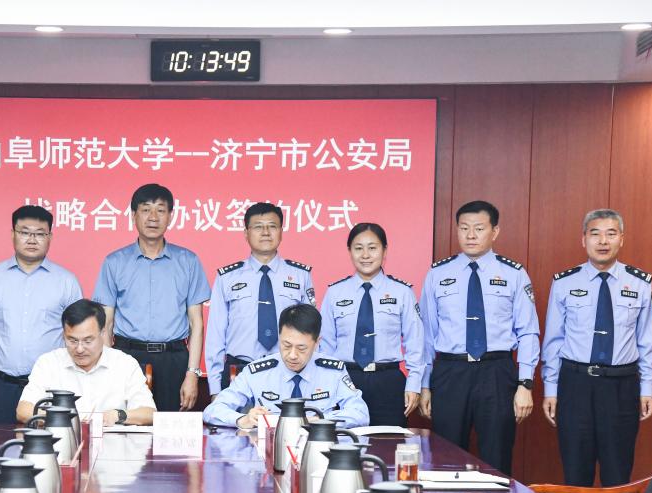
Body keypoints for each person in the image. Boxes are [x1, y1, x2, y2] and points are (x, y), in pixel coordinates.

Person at [419, 200, 539, 474]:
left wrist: (525, 384)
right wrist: (424, 385)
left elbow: (528, 331)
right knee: (445, 458)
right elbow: (426, 335)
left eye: (479, 228)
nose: (470, 235)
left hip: (496, 372)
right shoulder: (438, 273)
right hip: (450, 373)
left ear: (494, 232)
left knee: (497, 458)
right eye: (464, 228)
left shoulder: (513, 274)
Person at [541, 209, 652, 487]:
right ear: (584, 239)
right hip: (575, 385)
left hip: (621, 386)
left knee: (617, 474)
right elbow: (554, 341)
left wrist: (647, 387)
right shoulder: (564, 282)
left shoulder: (640, 283)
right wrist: (550, 389)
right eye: (595, 234)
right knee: (575, 474)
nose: (603, 241)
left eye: (611, 234)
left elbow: (647, 340)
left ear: (621, 239)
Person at [93, 183, 211, 412]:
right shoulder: (114, 262)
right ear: (133, 216)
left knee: (171, 428)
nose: (153, 217)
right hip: (127, 357)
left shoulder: (188, 261)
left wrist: (192, 374)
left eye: (161, 210)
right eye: (146, 210)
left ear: (170, 216)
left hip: (173, 359)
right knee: (126, 426)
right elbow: (106, 324)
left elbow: (196, 323)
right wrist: (111, 369)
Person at [0, 205, 82, 424]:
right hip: (3, 385)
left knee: (53, 443)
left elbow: (78, 335)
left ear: (50, 237)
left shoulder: (66, 281)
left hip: (51, 385)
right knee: (1, 443)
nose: (32, 239)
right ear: (13, 234)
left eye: (40, 234)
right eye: (25, 232)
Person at [320, 222, 425, 426]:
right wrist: (326, 385)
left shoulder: (402, 292)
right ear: (349, 251)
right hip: (346, 380)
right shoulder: (335, 293)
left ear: (385, 251)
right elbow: (326, 346)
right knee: (344, 440)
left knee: (388, 442)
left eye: (372, 248)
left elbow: (415, 343)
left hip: (388, 381)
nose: (365, 255)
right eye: (358, 248)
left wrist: (414, 384)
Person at [205, 202, 315, 395]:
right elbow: (216, 336)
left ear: (281, 232)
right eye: (258, 227)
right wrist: (215, 389)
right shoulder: (227, 278)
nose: (265, 232)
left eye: (272, 226)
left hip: (287, 371)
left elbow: (311, 331)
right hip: (238, 372)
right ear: (246, 233)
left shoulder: (300, 275)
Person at [203, 304, 370, 429]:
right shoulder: (257, 372)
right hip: (269, 451)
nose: (292, 355)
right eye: (286, 345)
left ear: (317, 343)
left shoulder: (333, 371)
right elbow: (213, 410)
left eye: (301, 348)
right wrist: (242, 419)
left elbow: (360, 413)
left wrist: (321, 420)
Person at [16, 299, 156, 426]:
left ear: (103, 333)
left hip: (113, 444)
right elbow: (23, 411)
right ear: (64, 335)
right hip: (61, 443)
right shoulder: (48, 363)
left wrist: (117, 415)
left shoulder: (125, 364)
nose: (80, 349)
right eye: (72, 340)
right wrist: (60, 418)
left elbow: (149, 413)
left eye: (88, 341)